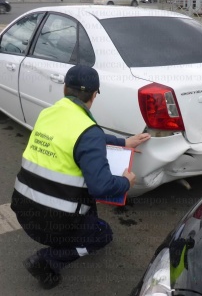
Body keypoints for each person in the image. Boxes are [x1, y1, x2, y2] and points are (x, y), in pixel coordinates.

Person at [10, 65, 151, 290]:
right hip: (52, 224)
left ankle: (71, 234)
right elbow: (101, 187)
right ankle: (47, 259)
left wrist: (123, 142)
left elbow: (82, 135)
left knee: (92, 216)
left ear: (64, 88)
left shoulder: (48, 114)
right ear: (94, 95)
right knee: (102, 235)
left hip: (23, 210)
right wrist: (126, 182)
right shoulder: (88, 130)